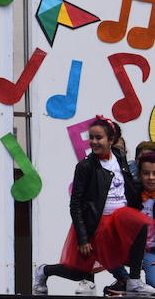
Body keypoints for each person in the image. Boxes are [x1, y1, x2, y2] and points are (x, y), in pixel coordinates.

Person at [33, 117, 155, 296]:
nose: (93, 142)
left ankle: (133, 281)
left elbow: (127, 185)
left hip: (119, 221)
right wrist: (83, 238)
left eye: (99, 138)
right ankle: (44, 271)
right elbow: (75, 204)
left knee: (140, 223)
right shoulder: (85, 166)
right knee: (79, 272)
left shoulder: (119, 157)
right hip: (96, 225)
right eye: (91, 138)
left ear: (111, 140)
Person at [137, 152, 155, 288]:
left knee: (153, 283)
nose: (151, 178)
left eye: (154, 173)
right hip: (132, 251)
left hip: (151, 252)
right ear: (139, 174)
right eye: (146, 173)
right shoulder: (132, 194)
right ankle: (123, 280)